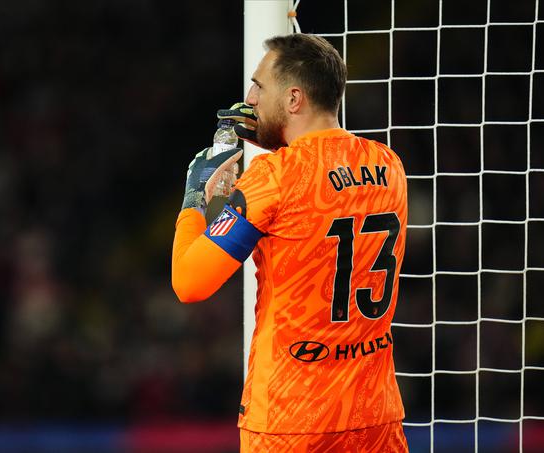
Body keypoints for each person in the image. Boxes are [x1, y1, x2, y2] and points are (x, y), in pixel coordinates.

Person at [172, 33, 409, 452]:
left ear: (294, 98)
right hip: (374, 416)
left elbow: (190, 283)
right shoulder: (389, 165)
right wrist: (282, 137)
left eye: (259, 86)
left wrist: (195, 194)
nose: (250, 98)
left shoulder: (273, 178)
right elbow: (326, 181)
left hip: (291, 420)